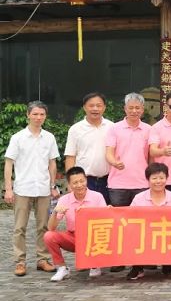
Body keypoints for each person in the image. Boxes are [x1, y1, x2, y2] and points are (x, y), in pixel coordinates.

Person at [4, 100, 60, 277]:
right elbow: (9, 163)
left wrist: (53, 185)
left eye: (42, 114)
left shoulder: (49, 137)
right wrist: (8, 188)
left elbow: (52, 163)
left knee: (43, 226)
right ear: (28, 115)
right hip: (22, 188)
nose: (38, 117)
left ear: (45, 116)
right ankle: (20, 261)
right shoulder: (18, 138)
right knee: (19, 227)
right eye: (35, 114)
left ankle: (42, 259)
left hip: (43, 188)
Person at [45, 166, 107, 281]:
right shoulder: (64, 199)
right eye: (75, 183)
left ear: (86, 180)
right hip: (74, 237)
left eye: (82, 181)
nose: (79, 185)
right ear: (69, 184)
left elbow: (106, 220)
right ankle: (62, 268)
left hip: (93, 238)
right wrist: (55, 212)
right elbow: (51, 227)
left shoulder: (97, 197)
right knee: (49, 236)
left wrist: (90, 213)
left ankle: (95, 263)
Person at [127, 162, 171, 280]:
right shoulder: (139, 198)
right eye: (154, 178)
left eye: (161, 178)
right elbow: (129, 218)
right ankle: (138, 267)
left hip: (168, 233)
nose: (158, 181)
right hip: (145, 234)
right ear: (148, 179)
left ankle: (168, 263)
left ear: (167, 178)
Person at [64, 92, 113, 203]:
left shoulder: (112, 127)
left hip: (108, 180)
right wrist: (70, 182)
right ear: (84, 107)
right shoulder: (75, 129)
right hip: (84, 181)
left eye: (99, 105)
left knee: (105, 211)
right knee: (84, 210)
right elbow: (70, 157)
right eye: (91, 105)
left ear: (104, 107)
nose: (95, 109)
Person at [105, 92, 151, 208]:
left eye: (137, 108)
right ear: (125, 109)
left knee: (141, 217)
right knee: (119, 217)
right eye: (131, 108)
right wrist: (114, 162)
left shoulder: (149, 129)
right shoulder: (114, 128)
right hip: (118, 184)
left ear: (142, 109)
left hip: (142, 182)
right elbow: (109, 153)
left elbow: (151, 157)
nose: (134, 111)